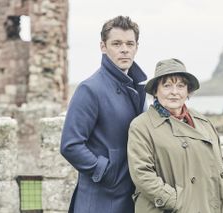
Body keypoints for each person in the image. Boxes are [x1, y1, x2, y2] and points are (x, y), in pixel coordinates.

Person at [127, 58, 223, 213]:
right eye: (167, 85)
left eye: (181, 86)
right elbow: (142, 175)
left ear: (188, 91)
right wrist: (178, 202)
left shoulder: (203, 121)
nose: (175, 92)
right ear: (155, 91)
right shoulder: (141, 126)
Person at [60, 16, 147, 213]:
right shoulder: (89, 89)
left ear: (136, 47)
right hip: (100, 199)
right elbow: (70, 145)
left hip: (129, 197)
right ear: (103, 46)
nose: (124, 49)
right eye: (116, 43)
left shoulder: (138, 88)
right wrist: (106, 171)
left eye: (129, 43)